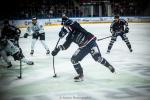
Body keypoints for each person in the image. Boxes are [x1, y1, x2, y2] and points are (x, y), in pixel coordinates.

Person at [51, 16, 115, 82]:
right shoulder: (69, 36)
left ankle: (109, 66)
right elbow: (65, 46)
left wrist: (65, 20)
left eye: (66, 26)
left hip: (91, 42)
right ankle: (81, 75)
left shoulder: (75, 26)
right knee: (73, 60)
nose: (66, 28)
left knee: (97, 58)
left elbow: (72, 23)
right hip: (83, 47)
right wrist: (57, 49)